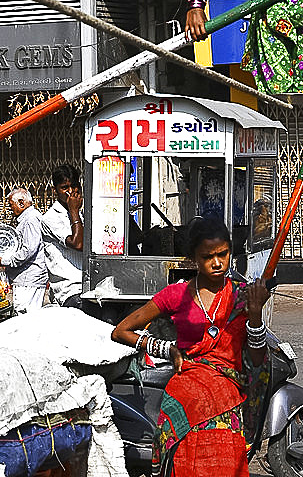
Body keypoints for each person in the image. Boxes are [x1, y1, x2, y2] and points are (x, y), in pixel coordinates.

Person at [111, 217, 270, 477]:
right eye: (208, 257)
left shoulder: (244, 295)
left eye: (223, 254)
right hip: (185, 396)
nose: (217, 263)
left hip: (226, 399)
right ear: (193, 258)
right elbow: (121, 331)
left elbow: (257, 358)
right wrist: (168, 350)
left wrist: (254, 317)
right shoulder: (177, 294)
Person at [41, 163, 84, 308]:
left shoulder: (83, 214)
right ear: (55, 191)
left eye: (74, 186)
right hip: (69, 290)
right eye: (65, 188)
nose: (71, 192)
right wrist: (74, 211)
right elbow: (78, 243)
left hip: (89, 287)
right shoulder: (50, 218)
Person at [0, 187, 47, 313]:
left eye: (11, 205)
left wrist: (5, 260)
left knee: (25, 316)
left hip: (29, 280)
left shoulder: (31, 219)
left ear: (21, 203)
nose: (10, 209)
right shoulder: (28, 219)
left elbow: (28, 250)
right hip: (27, 279)